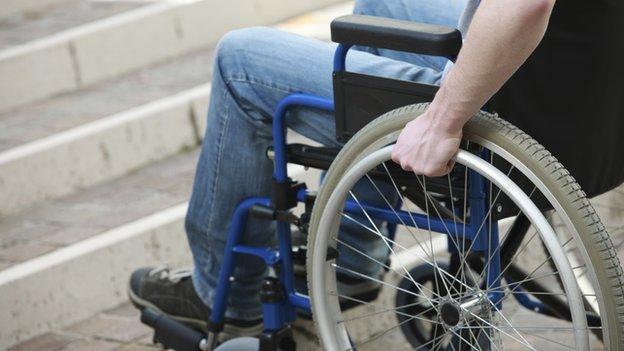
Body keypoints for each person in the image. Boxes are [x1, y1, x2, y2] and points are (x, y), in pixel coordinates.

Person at [127, 0, 624, 337]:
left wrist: (441, 120)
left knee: (238, 60)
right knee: (385, 4)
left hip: (503, 132)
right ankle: (353, 257)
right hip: (589, 123)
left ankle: (225, 295)